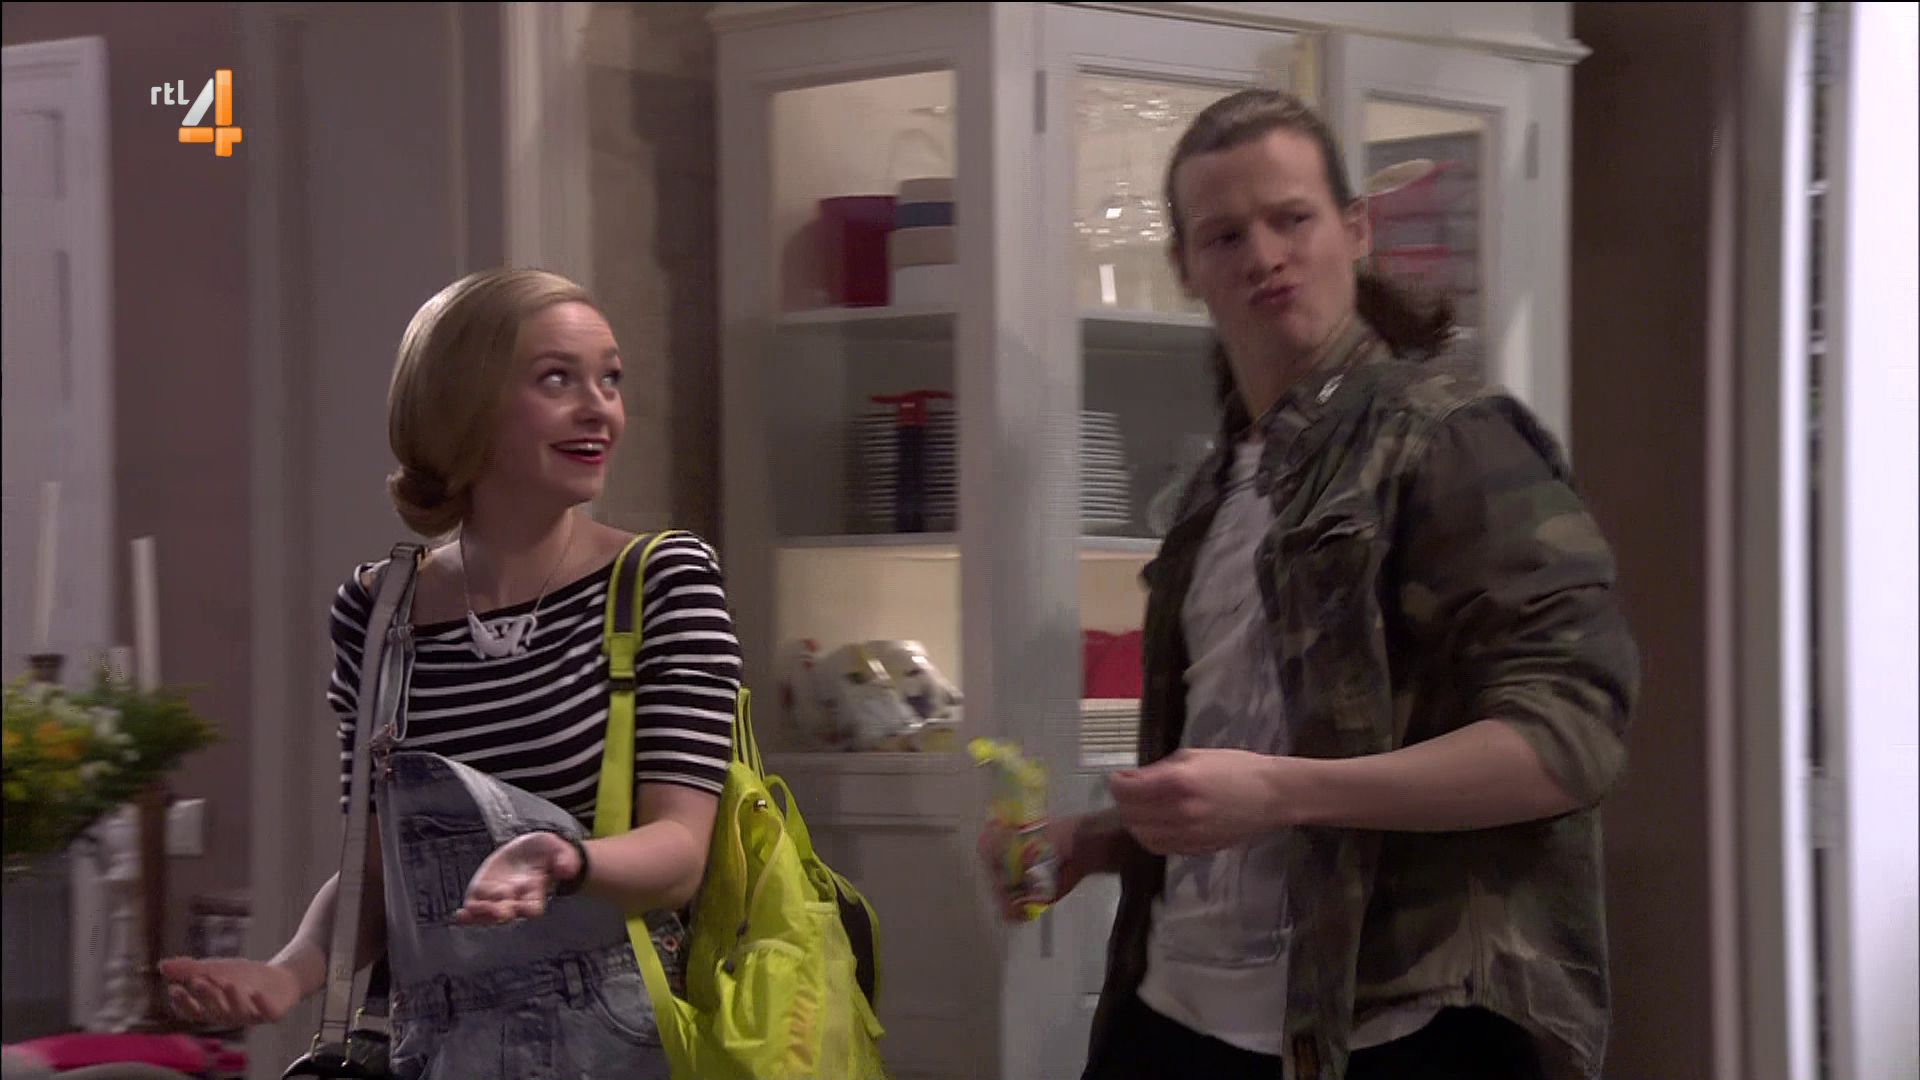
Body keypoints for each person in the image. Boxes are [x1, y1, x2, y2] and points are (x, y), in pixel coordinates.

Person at [980, 89, 1638, 1080]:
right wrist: (1107, 839)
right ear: (1186, 267)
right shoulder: (1219, 484)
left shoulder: (1452, 439)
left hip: (1394, 1026)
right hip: (1177, 1008)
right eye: (1225, 235)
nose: (1264, 255)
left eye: (1292, 219)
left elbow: (1569, 740)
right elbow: (1252, 755)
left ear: (1355, 230)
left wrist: (1282, 793)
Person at [159, 268, 742, 1077]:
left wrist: (561, 861)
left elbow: (679, 854)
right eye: (556, 380)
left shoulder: (662, 580)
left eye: (609, 379)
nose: (599, 409)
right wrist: (286, 974)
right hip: (432, 1047)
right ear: (461, 404)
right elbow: (377, 871)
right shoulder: (377, 608)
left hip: (620, 1037)